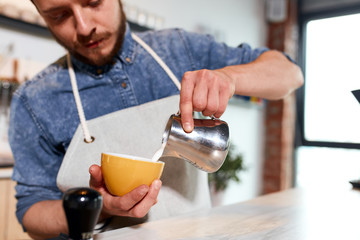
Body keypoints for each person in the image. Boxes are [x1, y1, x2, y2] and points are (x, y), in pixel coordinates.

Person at [8, 0, 304, 239]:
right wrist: (101, 208)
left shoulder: (178, 49)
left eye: (93, 2)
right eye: (59, 15)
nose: (84, 27)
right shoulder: (35, 100)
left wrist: (229, 77)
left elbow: (290, 74)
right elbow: (32, 213)